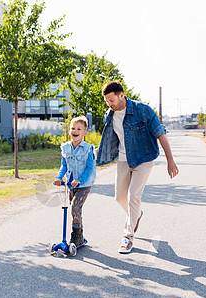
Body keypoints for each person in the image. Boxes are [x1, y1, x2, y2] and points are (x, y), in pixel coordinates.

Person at [96, 81, 179, 254]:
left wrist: (171, 160)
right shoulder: (109, 115)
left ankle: (128, 238)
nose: (109, 104)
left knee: (133, 196)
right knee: (119, 198)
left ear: (121, 95)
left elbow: (160, 133)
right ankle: (136, 214)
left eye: (111, 100)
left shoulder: (143, 110)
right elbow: (111, 139)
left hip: (143, 159)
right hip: (124, 160)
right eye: (106, 101)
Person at [54, 116, 96, 246]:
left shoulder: (88, 149)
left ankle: (76, 235)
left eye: (79, 129)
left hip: (84, 185)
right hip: (70, 184)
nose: (75, 131)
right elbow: (64, 166)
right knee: (75, 210)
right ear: (69, 131)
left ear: (84, 133)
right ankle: (80, 236)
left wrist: (79, 180)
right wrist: (59, 177)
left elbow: (89, 169)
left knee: (75, 207)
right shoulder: (65, 147)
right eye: (73, 128)